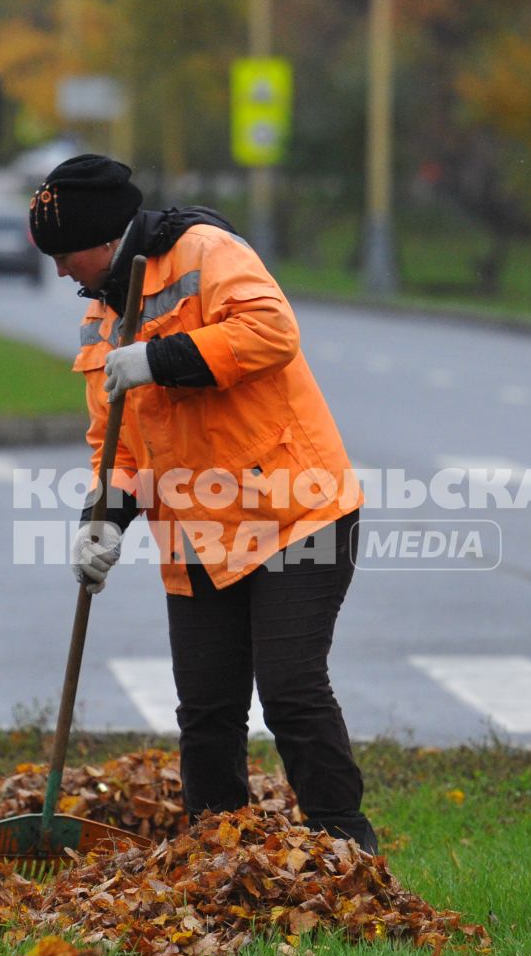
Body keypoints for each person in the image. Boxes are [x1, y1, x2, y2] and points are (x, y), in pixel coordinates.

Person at [31, 154, 377, 853]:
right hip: (196, 527)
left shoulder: (206, 252)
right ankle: (219, 855)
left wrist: (161, 358)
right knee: (207, 709)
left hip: (294, 509)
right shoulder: (100, 316)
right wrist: (102, 524)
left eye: (65, 255)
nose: (62, 271)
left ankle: (347, 848)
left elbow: (273, 332)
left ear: (102, 238)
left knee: (291, 689)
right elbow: (115, 444)